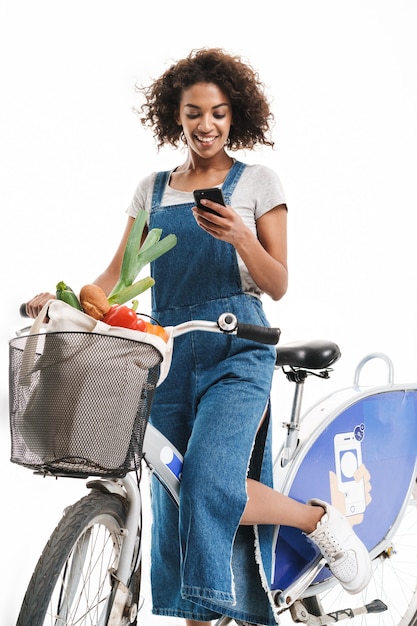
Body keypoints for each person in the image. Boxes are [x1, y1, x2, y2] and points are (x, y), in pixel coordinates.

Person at [26, 48, 371, 626]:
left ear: (235, 116)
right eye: (193, 114)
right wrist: (62, 299)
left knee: (210, 481)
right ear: (176, 117)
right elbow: (111, 281)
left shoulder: (259, 181)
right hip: (166, 356)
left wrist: (241, 237)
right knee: (181, 497)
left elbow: (278, 283)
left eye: (217, 113)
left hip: (239, 350)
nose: (205, 126)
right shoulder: (153, 189)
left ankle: (317, 520)